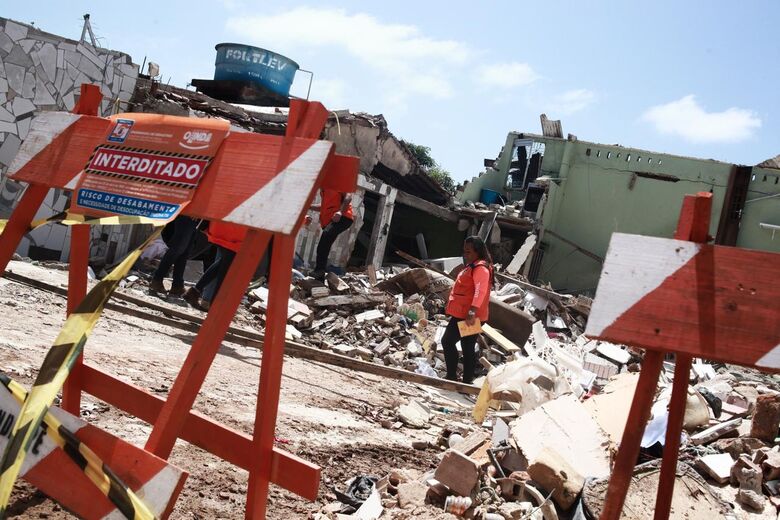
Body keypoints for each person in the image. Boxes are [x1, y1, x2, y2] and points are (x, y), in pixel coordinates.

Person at [440, 236, 494, 384]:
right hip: (465, 314)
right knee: (466, 345)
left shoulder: (481, 269)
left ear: (477, 252)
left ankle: (455, 377)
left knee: (449, 341)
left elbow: (480, 291)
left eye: (469, 252)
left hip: (470, 315)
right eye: (464, 251)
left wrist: (472, 312)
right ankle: (465, 379)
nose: (465, 254)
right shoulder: (473, 265)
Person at [183, 221, 246, 310]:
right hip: (235, 233)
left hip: (222, 228)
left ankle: (195, 292)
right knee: (225, 269)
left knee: (223, 263)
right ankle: (214, 306)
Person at [305, 189, 353, 280]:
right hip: (333, 220)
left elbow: (348, 197)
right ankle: (320, 277)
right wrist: (308, 206)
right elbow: (323, 207)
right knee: (324, 245)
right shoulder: (324, 190)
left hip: (343, 217)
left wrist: (340, 212)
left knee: (324, 241)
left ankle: (319, 271)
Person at [149, 216, 197, 297]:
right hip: (188, 214)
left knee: (184, 252)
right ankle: (157, 279)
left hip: (197, 217)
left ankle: (177, 285)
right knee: (177, 248)